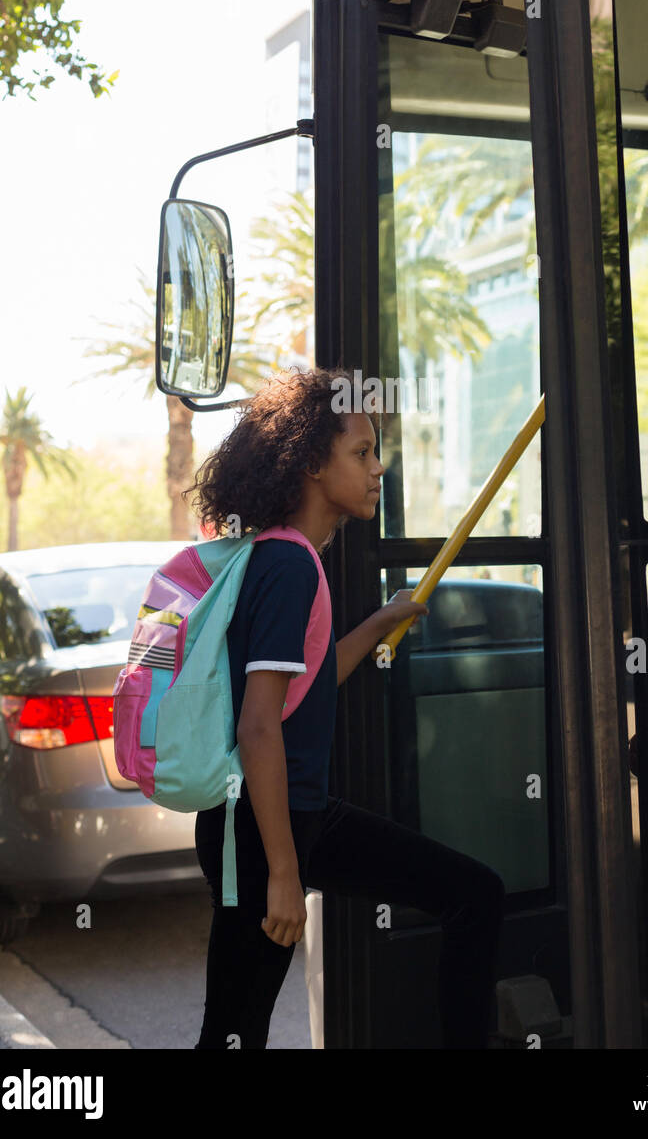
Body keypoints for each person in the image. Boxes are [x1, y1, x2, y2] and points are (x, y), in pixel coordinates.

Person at [189, 365, 506, 1050]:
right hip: (262, 832)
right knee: (233, 1035)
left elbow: (305, 683)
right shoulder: (290, 565)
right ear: (309, 463)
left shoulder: (280, 557)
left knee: (471, 894)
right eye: (361, 454)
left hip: (276, 820)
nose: (377, 469)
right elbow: (258, 725)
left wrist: (378, 624)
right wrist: (282, 873)